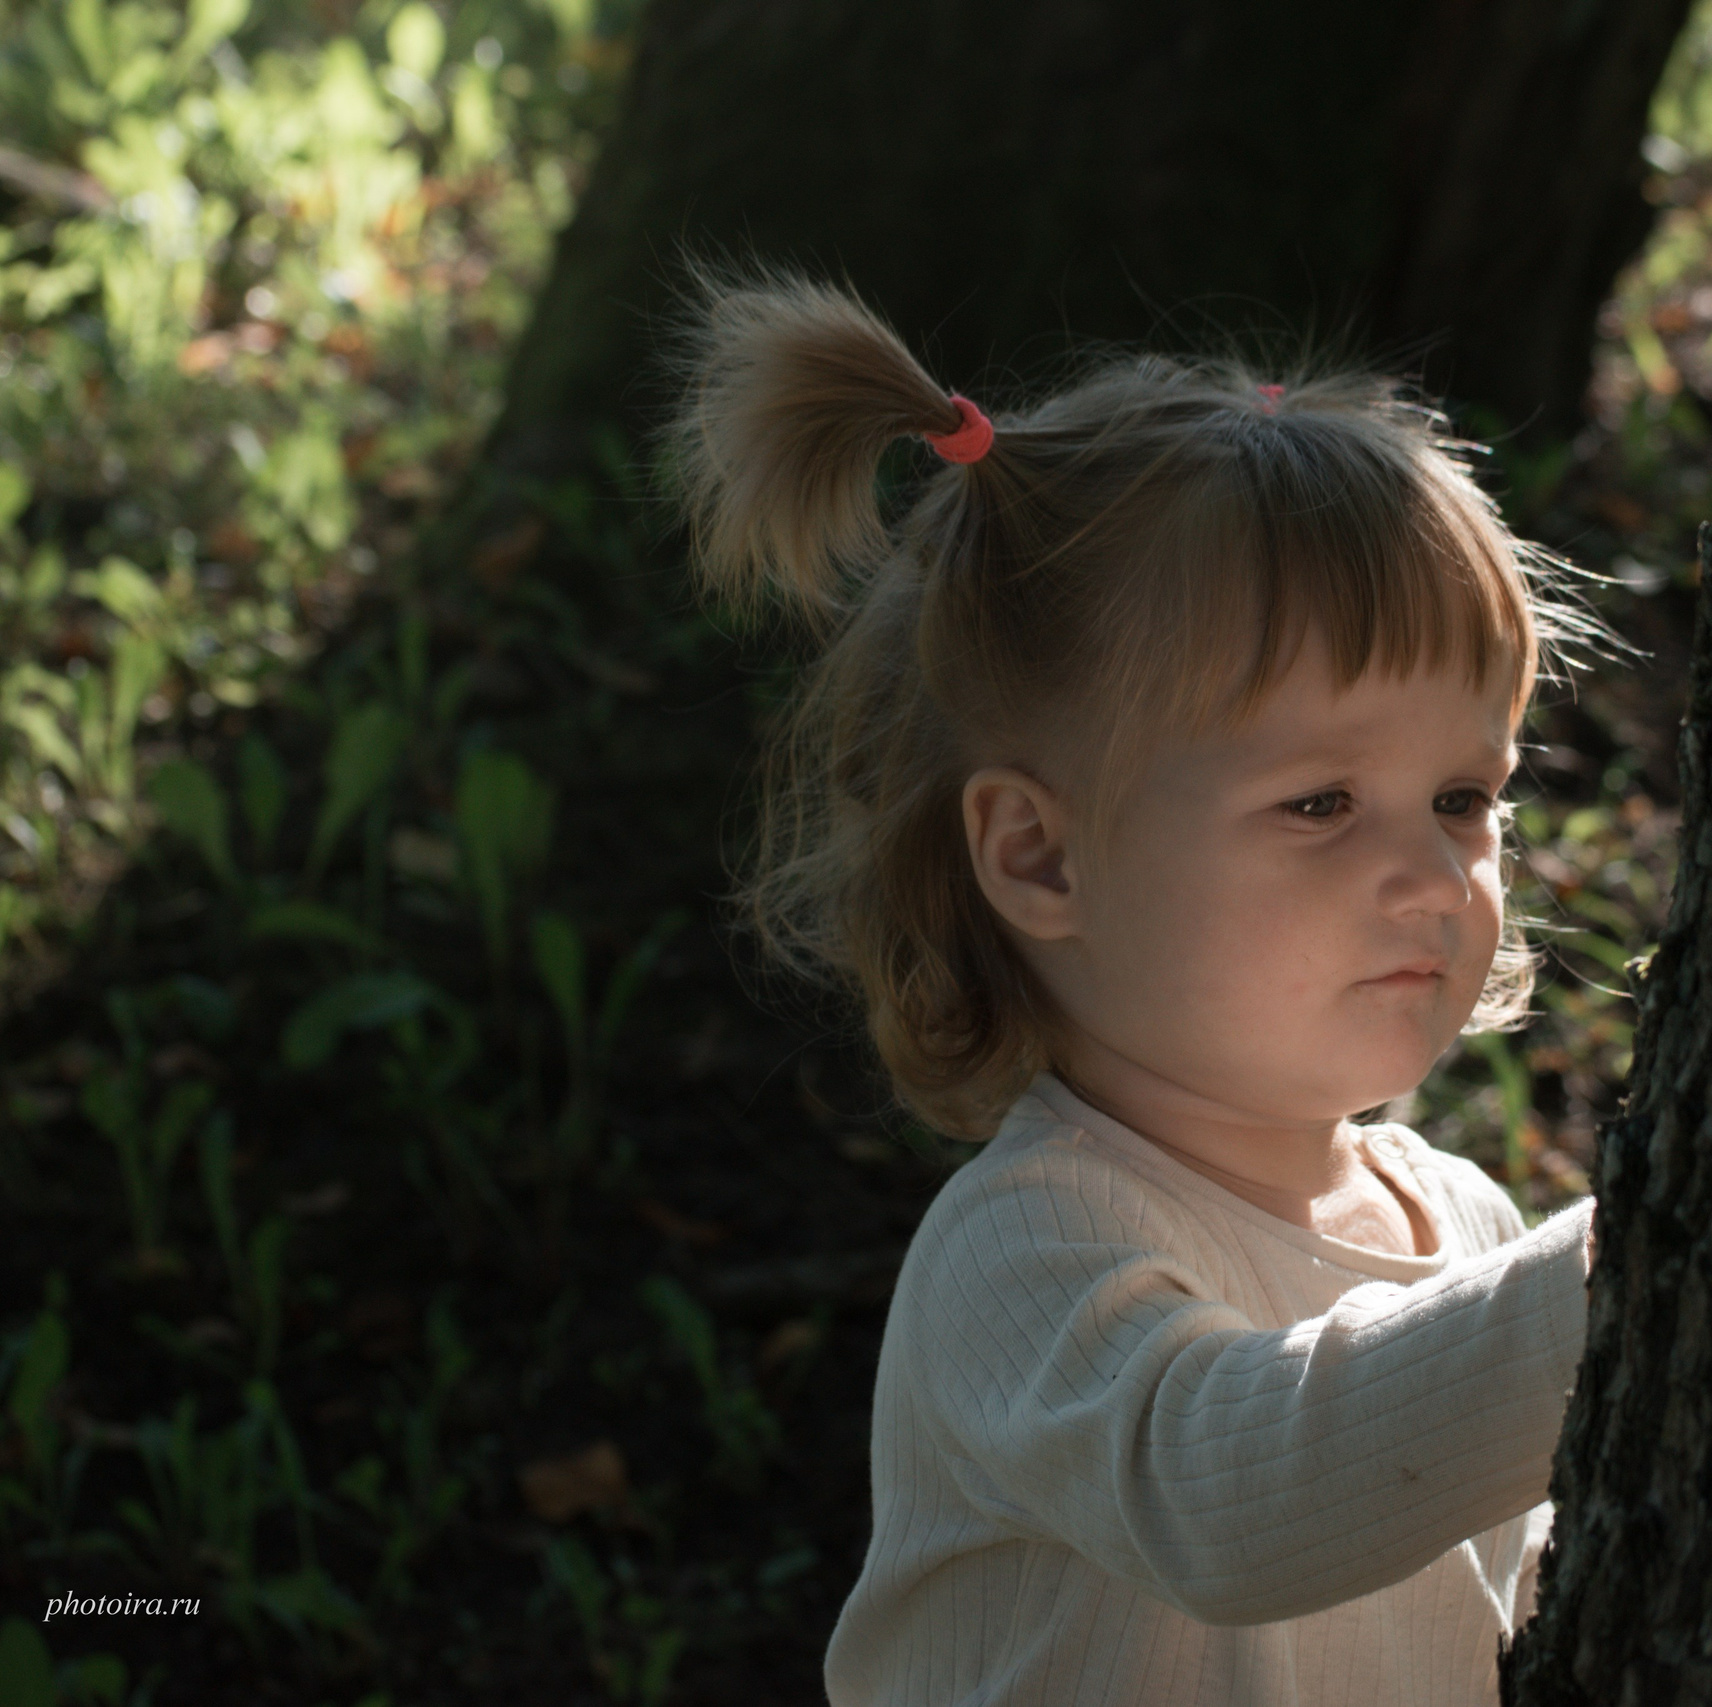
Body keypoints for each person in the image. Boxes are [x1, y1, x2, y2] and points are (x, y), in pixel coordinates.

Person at [671, 273, 1619, 1706]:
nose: (1433, 873)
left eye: (1464, 794)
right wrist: (1640, 1271)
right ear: (1040, 855)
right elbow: (1226, 1497)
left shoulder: (1472, 1229)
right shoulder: (1026, 1247)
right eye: (1319, 804)